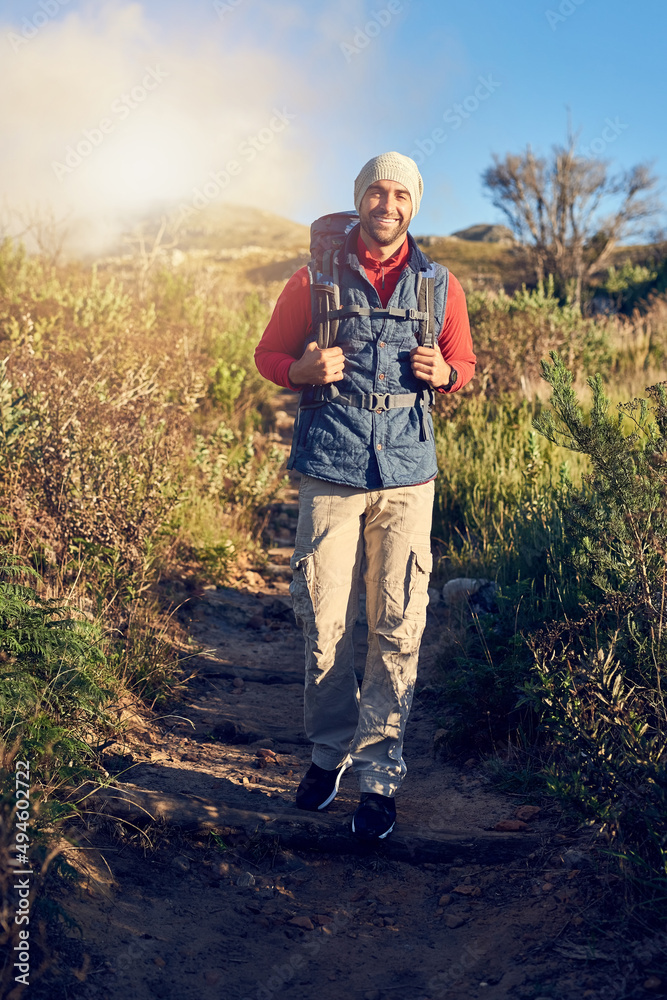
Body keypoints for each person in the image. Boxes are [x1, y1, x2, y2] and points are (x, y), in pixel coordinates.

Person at [254, 152, 475, 839]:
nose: (388, 203)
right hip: (330, 467)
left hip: (408, 476)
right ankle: (329, 755)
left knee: (396, 624)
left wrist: (447, 373)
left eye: (400, 193)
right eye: (376, 191)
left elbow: (462, 363)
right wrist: (300, 368)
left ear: (414, 204)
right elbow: (267, 356)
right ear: (359, 199)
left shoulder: (440, 287)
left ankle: (380, 777)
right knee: (321, 619)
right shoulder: (312, 279)